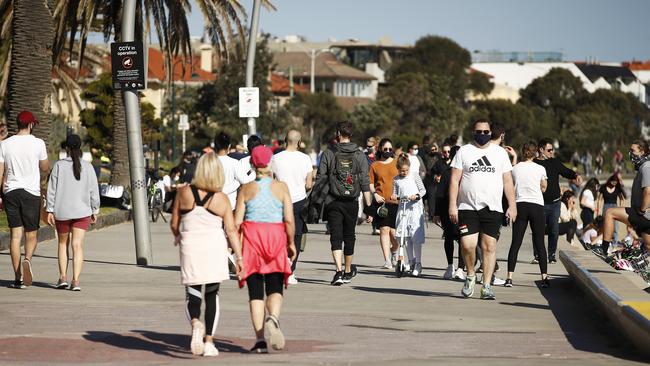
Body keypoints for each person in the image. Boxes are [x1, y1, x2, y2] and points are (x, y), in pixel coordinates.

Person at [170, 153, 243, 357]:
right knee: (212, 294)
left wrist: (178, 236)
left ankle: (195, 323)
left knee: (192, 292)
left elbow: (174, 223)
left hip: (190, 246)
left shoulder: (183, 192)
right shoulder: (222, 199)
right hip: (214, 248)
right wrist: (239, 257)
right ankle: (209, 341)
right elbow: (231, 230)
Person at [235, 146, 296, 353]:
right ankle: (274, 318)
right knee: (275, 286)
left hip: (252, 240)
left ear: (252, 164)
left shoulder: (246, 189)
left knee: (255, 293)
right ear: (270, 163)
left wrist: (234, 248)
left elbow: (236, 222)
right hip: (275, 238)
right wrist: (291, 243)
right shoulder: (281, 188)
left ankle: (260, 340)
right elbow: (288, 219)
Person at [449, 118, 516, 300]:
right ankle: (470, 275)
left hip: (493, 208)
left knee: (489, 246)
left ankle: (486, 285)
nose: (483, 135)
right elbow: (454, 180)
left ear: (490, 133)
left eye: (486, 132)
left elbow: (508, 181)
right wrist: (452, 205)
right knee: (467, 244)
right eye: (479, 132)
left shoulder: (500, 153)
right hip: (467, 207)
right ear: (473, 132)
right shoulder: (464, 151)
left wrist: (512, 205)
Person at [312, 122, 371, 285]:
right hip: (352, 201)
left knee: (335, 236)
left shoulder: (328, 153)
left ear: (338, 133)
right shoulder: (359, 155)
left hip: (332, 200)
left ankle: (338, 271)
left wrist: (317, 199)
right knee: (349, 236)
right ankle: (347, 271)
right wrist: (369, 208)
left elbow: (320, 177)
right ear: (351, 135)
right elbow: (365, 181)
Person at [0, 111, 49, 289]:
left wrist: (0, 194)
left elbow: (0, 172)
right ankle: (27, 259)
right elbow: (45, 167)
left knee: (15, 236)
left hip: (11, 192)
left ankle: (17, 277)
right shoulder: (38, 143)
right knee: (31, 234)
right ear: (30, 125)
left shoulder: (5, 144)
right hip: (31, 193)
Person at [46, 134, 100, 291]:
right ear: (80, 147)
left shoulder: (58, 166)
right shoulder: (88, 167)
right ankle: (75, 281)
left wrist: (50, 209)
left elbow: (52, 190)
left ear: (66, 148)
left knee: (63, 243)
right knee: (77, 245)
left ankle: (63, 277)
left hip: (62, 212)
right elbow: (93, 191)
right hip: (82, 212)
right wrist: (94, 209)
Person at [271, 130, 313, 284]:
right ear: (299, 142)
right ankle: (290, 271)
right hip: (299, 201)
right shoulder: (305, 158)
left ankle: (279, 268)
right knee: (295, 236)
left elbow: (271, 180)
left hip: (279, 200)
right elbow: (309, 184)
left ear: (284, 140)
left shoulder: (275, 158)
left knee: (280, 235)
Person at [506, 141, 549, 288]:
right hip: (536, 206)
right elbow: (544, 187)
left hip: (520, 205)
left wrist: (513, 158)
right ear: (536, 152)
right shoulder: (541, 168)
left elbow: (509, 184)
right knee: (540, 243)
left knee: (515, 242)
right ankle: (544, 278)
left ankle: (509, 278)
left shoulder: (515, 168)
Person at [534, 138, 582, 264]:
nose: (551, 152)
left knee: (554, 230)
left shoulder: (554, 162)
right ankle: (538, 255)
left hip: (555, 203)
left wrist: (575, 175)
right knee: (538, 230)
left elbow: (565, 171)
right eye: (549, 150)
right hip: (539, 203)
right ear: (541, 150)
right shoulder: (534, 164)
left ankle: (551, 255)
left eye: (552, 150)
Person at [601, 140, 650, 255]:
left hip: (644, 214)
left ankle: (603, 249)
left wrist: (642, 210)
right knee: (648, 245)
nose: (630, 153)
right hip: (646, 216)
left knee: (610, 212)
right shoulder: (643, 167)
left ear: (642, 151)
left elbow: (648, 191)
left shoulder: (646, 167)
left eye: (633, 150)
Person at [391, 154, 426, 276]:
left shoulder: (414, 176)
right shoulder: (396, 179)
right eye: (401, 171)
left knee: (415, 237)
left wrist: (416, 196)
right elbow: (394, 193)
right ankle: (410, 261)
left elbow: (423, 190)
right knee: (404, 237)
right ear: (398, 169)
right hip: (403, 209)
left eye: (406, 170)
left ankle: (418, 263)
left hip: (415, 209)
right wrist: (394, 196)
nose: (404, 173)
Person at [433, 144, 465, 280]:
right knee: (455, 238)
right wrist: (436, 213)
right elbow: (439, 194)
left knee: (458, 239)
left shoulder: (461, 172)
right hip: (451, 210)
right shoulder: (448, 173)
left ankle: (457, 268)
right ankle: (453, 267)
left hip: (460, 210)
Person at [369, 138, 400, 269]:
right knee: (383, 230)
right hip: (382, 203)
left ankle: (394, 250)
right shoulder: (375, 165)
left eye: (390, 149)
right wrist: (375, 194)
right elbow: (370, 183)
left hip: (397, 203)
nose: (388, 151)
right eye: (385, 149)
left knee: (395, 234)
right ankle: (387, 260)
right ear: (381, 149)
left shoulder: (397, 163)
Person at [214, 132, 249, 208]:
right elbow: (245, 181)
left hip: (212, 205)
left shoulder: (208, 162)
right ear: (229, 146)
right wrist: (237, 182)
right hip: (230, 205)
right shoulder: (234, 163)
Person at [597, 173, 626, 241]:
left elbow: (622, 199)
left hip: (615, 207)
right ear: (610, 181)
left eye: (616, 182)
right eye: (613, 182)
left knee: (616, 226)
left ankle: (615, 242)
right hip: (606, 207)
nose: (614, 183)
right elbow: (599, 200)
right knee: (605, 225)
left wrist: (620, 208)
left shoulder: (617, 189)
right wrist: (598, 211)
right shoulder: (603, 188)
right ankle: (605, 241)